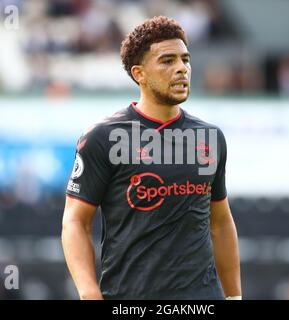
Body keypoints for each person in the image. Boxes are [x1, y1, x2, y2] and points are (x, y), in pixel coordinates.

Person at [61, 16, 242, 300]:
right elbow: (75, 222)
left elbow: (220, 222)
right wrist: (89, 293)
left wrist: (234, 297)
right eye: (168, 61)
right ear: (139, 73)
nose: (182, 69)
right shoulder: (103, 137)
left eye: (185, 59)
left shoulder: (210, 137)